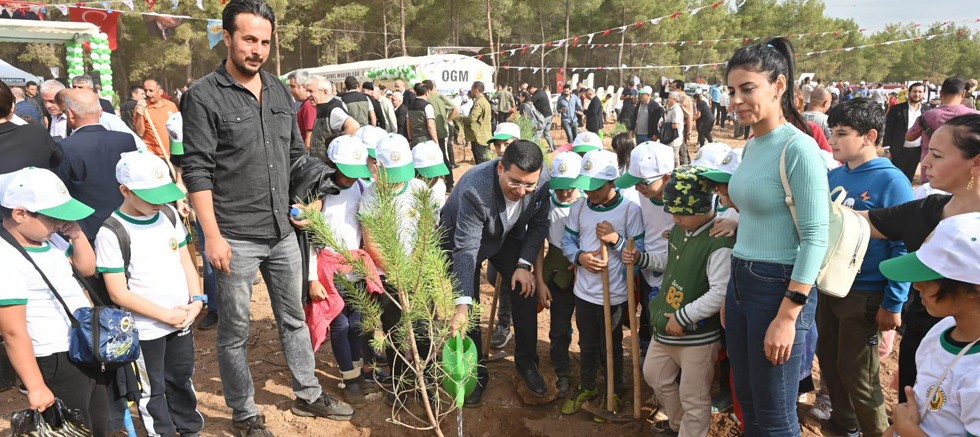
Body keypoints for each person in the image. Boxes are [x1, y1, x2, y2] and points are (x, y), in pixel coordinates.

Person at [180, 1, 354, 433]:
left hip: (282, 232)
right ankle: (244, 413)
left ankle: (308, 393)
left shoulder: (278, 90)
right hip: (235, 235)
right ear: (227, 37)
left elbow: (295, 155)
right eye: (249, 39)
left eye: (265, 42)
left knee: (294, 317)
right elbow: (197, 170)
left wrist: (320, 190)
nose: (257, 50)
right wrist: (211, 236)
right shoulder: (203, 96)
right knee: (235, 332)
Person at [724, 37, 829, 436]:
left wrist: (788, 315)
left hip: (780, 287)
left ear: (779, 86)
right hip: (742, 280)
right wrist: (734, 291)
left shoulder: (799, 148)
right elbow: (758, 210)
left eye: (747, 88)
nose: (736, 100)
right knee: (749, 402)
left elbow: (815, 236)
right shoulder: (752, 145)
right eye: (732, 91)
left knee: (775, 416)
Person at [859, 113, 980, 404]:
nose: (925, 162)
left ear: (976, 162)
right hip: (924, 340)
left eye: (936, 155)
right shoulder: (927, 209)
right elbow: (859, 222)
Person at [819, 98, 913, 437]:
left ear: (869, 136)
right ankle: (845, 424)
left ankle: (875, 430)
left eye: (842, 133)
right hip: (829, 286)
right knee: (829, 360)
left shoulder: (892, 181)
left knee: (858, 372)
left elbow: (903, 243)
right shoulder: (834, 175)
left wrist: (894, 302)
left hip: (866, 292)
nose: (832, 140)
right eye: (831, 132)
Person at [95, 151, 204, 437]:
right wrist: (165, 315)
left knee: (181, 377)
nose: (157, 202)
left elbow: (186, 259)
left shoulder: (168, 214)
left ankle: (189, 428)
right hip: (145, 329)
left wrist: (196, 300)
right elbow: (119, 293)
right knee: (151, 387)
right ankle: (161, 432)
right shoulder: (112, 232)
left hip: (181, 318)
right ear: (125, 191)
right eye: (149, 196)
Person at [625, 165, 734, 437]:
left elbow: (719, 293)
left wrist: (683, 317)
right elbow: (670, 260)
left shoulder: (718, 242)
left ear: (701, 208)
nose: (674, 218)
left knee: (693, 397)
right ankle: (677, 425)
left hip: (697, 335)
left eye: (680, 213)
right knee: (654, 375)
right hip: (666, 325)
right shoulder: (680, 230)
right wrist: (642, 259)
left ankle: (690, 430)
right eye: (672, 211)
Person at [440, 140, 551, 406]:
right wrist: (462, 305)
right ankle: (475, 373)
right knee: (470, 307)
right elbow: (466, 249)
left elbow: (539, 224)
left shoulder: (542, 179)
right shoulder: (476, 191)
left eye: (529, 185)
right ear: (501, 168)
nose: (521, 191)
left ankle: (527, 363)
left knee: (524, 290)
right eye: (515, 182)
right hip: (461, 239)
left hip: (506, 234)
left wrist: (523, 266)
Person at [0, 167, 108, 436]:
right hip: (55, 357)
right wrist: (36, 386)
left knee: (97, 421)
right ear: (20, 214)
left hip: (82, 345)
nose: (60, 222)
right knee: (73, 429)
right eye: (53, 217)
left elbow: (87, 268)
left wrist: (77, 235)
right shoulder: (6, 258)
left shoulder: (52, 238)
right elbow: (13, 331)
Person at [877, 214, 980, 437]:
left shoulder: (976, 374)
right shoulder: (941, 330)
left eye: (930, 277)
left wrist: (909, 431)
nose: (917, 285)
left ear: (975, 289)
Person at [559, 149, 644, 419]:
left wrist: (616, 241)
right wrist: (580, 257)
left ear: (612, 181)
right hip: (584, 292)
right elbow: (567, 241)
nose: (589, 192)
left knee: (612, 345)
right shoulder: (579, 207)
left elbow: (639, 254)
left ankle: (614, 389)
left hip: (615, 294)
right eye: (587, 186)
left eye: (595, 187)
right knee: (587, 343)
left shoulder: (630, 211)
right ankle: (588, 386)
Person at [303, 135, 374, 406]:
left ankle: (356, 370)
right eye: (346, 172)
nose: (351, 178)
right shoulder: (320, 195)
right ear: (332, 164)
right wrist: (312, 278)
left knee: (356, 322)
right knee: (340, 324)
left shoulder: (361, 187)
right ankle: (349, 378)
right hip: (328, 268)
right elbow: (312, 238)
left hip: (355, 265)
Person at [614, 140, 676, 359]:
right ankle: (648, 350)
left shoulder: (684, 203)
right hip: (646, 269)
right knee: (649, 315)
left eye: (643, 183)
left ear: (667, 177)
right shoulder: (639, 195)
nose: (638, 187)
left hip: (674, 274)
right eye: (634, 182)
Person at [52, 90, 139, 243]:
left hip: (87, 230)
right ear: (101, 111)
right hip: (126, 224)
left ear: (70, 114)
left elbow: (58, 189)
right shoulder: (126, 140)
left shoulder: (65, 147)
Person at [537, 151, 583, 398]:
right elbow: (537, 244)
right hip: (556, 273)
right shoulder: (547, 205)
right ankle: (561, 369)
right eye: (559, 187)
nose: (564, 192)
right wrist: (540, 280)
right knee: (559, 325)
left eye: (569, 187)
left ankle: (592, 368)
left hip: (586, 273)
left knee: (588, 325)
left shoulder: (586, 204)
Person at [906, 78, 980, 183]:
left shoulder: (927, 116)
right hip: (964, 177)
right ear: (963, 93)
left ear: (941, 93)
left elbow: (909, 137)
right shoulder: (975, 116)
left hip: (931, 175)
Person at [0, 82, 62, 173]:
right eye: (44, 101)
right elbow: (56, 160)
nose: (48, 105)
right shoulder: (36, 132)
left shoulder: (36, 132)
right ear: (12, 107)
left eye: (52, 101)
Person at [884, 82, 927, 183]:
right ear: (909, 93)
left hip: (917, 151)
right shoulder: (897, 109)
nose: (917, 94)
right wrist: (887, 150)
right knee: (895, 178)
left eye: (920, 92)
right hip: (898, 150)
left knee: (909, 178)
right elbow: (888, 128)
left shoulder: (927, 110)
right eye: (914, 91)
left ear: (923, 94)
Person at [422, 80, 459, 190]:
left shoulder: (427, 100)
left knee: (430, 158)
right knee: (443, 158)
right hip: (441, 132)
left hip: (431, 134)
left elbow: (455, 109)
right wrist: (446, 121)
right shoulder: (439, 99)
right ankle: (449, 182)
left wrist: (447, 120)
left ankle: (432, 182)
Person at [134, 79, 180, 159]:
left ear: (160, 92)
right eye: (145, 90)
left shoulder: (171, 105)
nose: (147, 94)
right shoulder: (142, 108)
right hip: (153, 155)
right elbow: (140, 132)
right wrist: (140, 114)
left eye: (151, 91)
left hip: (172, 153)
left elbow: (178, 128)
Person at [460, 81, 492, 165]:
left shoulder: (479, 103)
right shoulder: (485, 102)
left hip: (479, 139)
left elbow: (471, 119)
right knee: (485, 163)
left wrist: (460, 118)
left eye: (472, 89)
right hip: (485, 137)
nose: (471, 91)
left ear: (476, 90)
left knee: (481, 164)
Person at [287, 69, 316, 151]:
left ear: (304, 87)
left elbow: (309, 134)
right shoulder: (306, 104)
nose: (290, 90)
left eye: (293, 86)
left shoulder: (308, 105)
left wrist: (307, 154)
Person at [406, 82, 438, 147]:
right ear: (427, 92)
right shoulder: (427, 106)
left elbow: (408, 123)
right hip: (426, 140)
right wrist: (436, 143)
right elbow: (430, 126)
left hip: (415, 139)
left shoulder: (410, 106)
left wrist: (410, 139)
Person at [527, 84, 555, 150]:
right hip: (549, 115)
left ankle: (533, 148)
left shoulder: (536, 94)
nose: (529, 93)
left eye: (529, 91)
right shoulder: (542, 92)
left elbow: (529, 102)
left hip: (544, 117)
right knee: (546, 132)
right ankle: (553, 148)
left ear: (532, 88)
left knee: (538, 132)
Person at [663, 91, 685, 166]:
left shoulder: (676, 110)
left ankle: (676, 172)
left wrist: (664, 125)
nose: (668, 99)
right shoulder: (671, 109)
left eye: (669, 97)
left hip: (674, 139)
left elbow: (675, 125)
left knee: (674, 159)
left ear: (674, 99)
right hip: (670, 138)